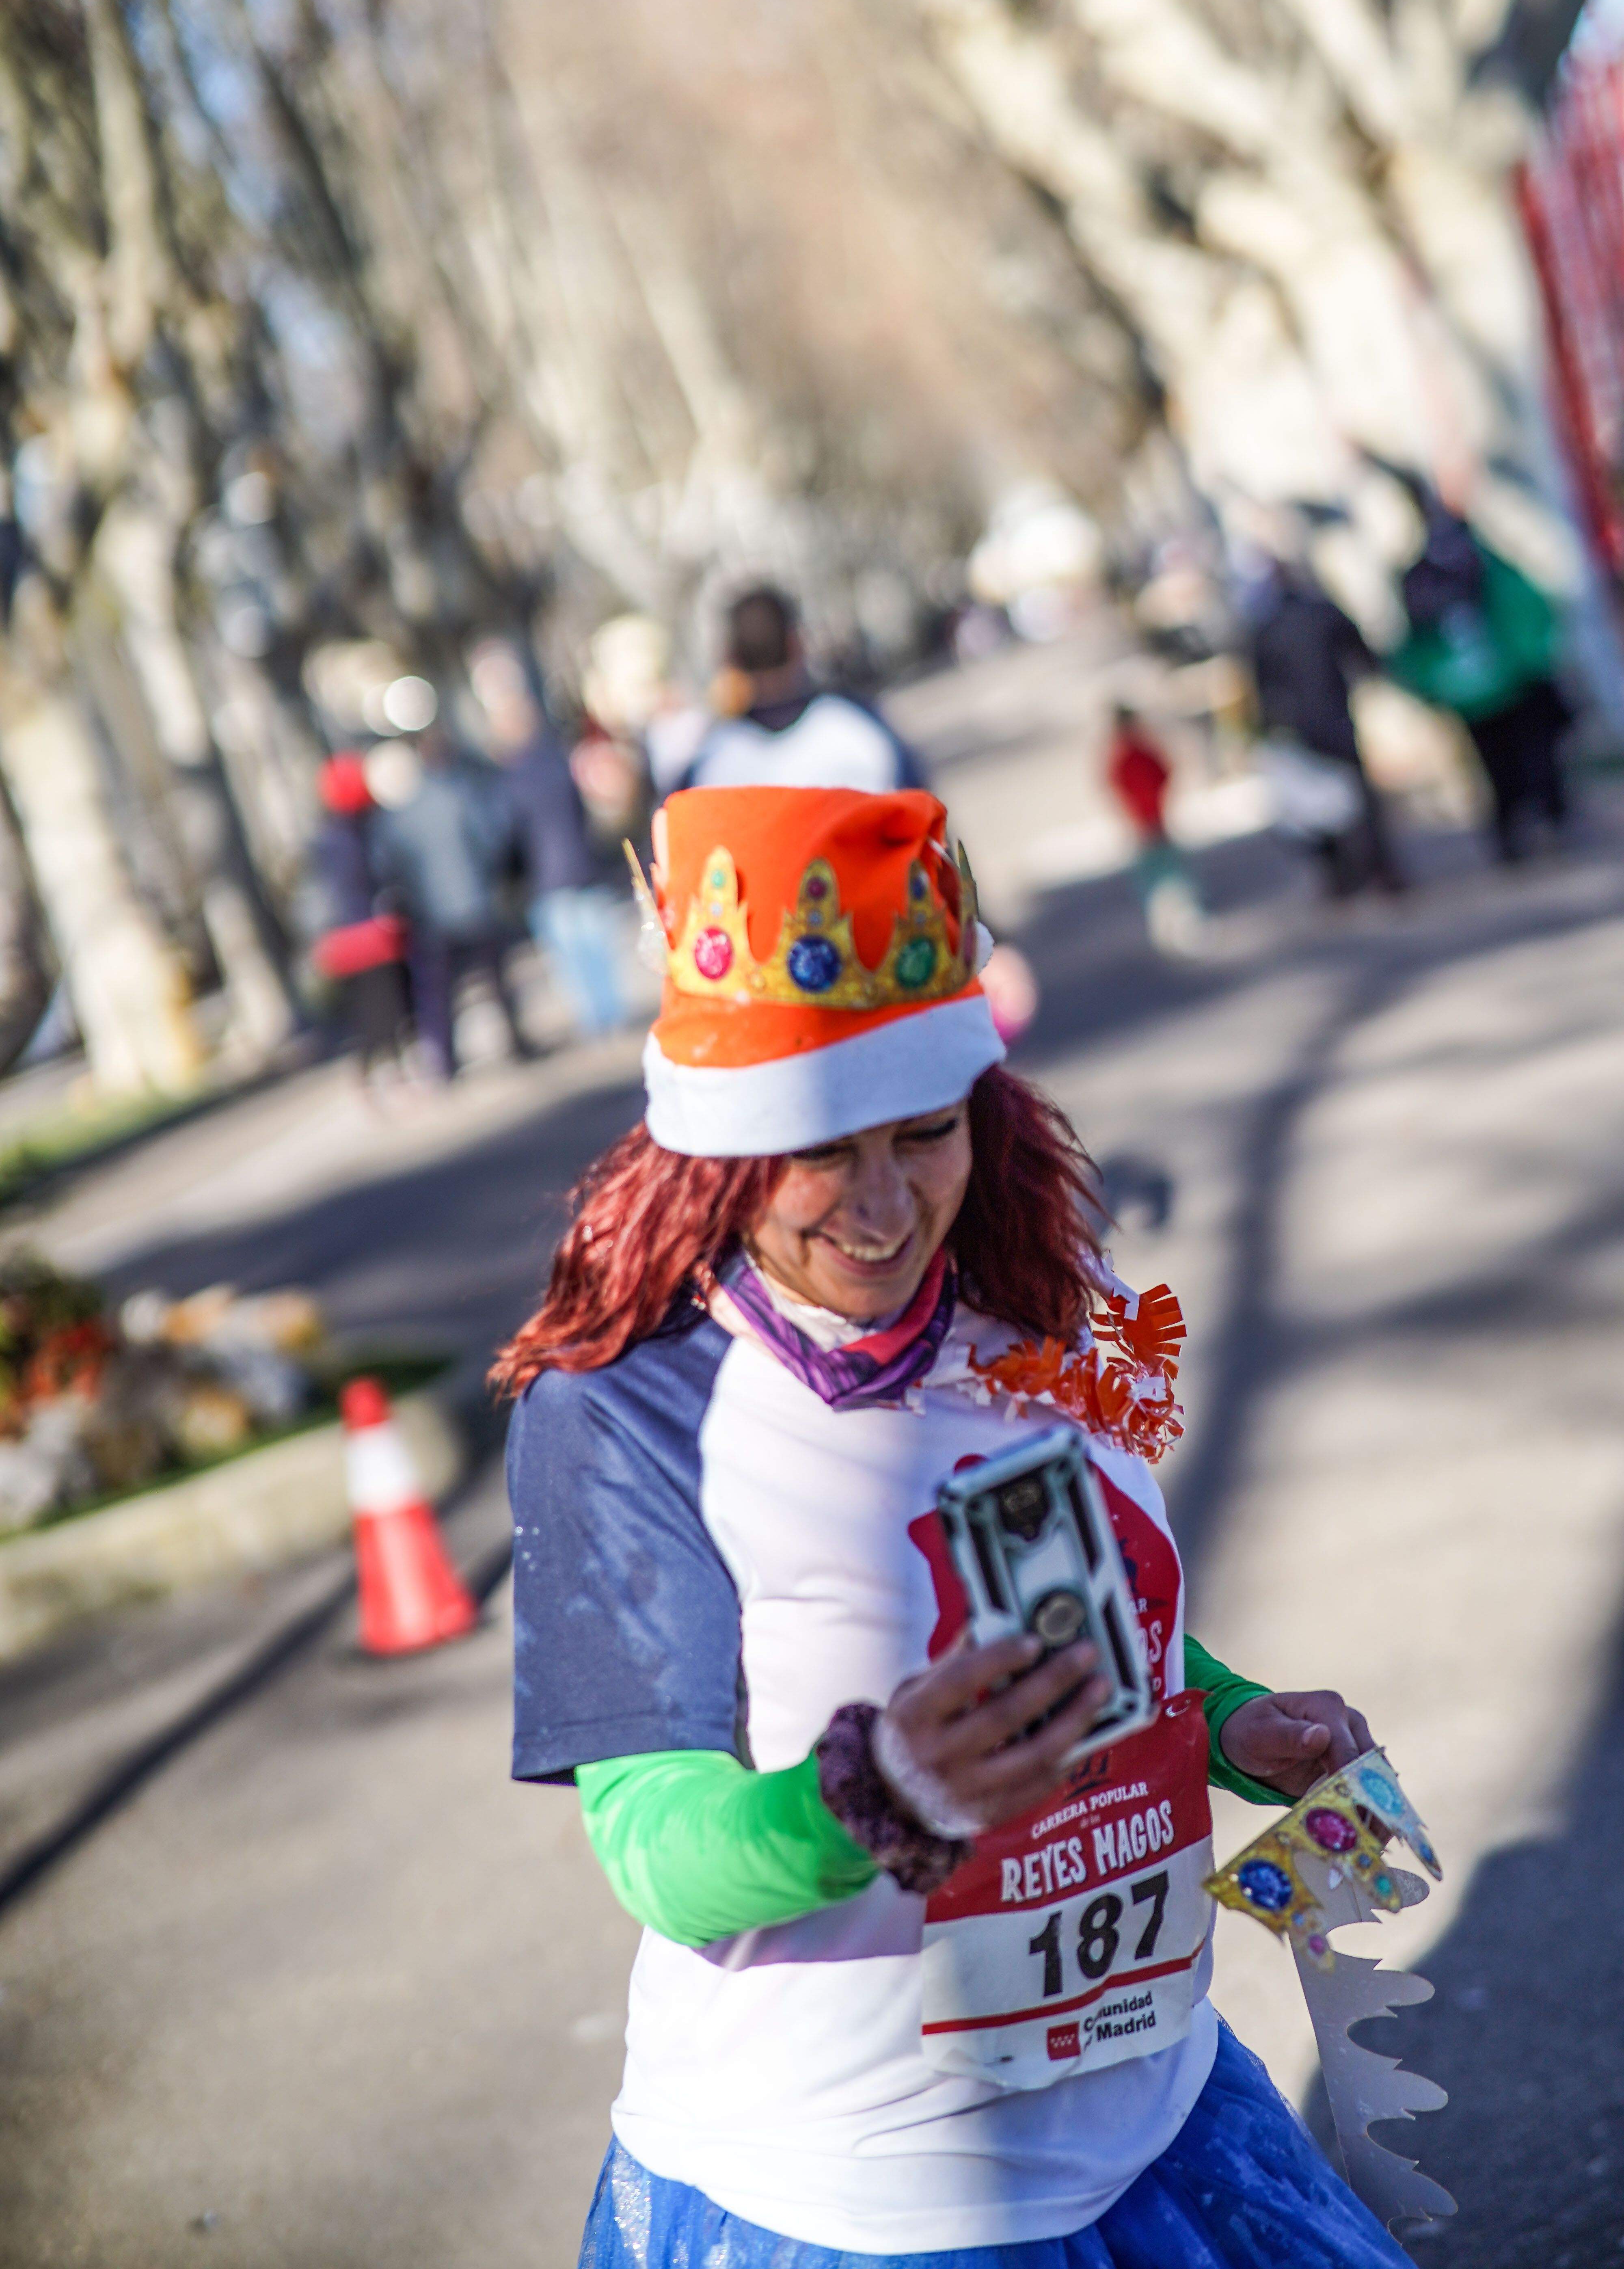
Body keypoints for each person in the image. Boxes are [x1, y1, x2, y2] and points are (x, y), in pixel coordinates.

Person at [499, 783, 1408, 2269]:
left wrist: (1231, 1720)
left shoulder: (1037, 1304)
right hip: (857, 2191)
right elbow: (651, 1837)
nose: (880, 1208)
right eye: (819, 1150)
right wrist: (873, 1796)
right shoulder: (629, 1404)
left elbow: (1085, 1642)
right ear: (719, 1150)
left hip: (1156, 2112)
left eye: (924, 1134)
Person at [1391, 507, 1571, 863]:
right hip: (1508, 678)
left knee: (1496, 765)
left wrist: (1430, 687)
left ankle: (1514, 832)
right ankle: (1543, 821)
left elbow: (1412, 644)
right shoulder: (1484, 562)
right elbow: (1529, 606)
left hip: (1467, 689)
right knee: (1533, 756)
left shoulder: (1423, 576)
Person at [1244, 560, 1405, 899]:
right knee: (1354, 798)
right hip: (1334, 718)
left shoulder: (1267, 628)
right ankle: (1378, 871)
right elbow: (1362, 654)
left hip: (1297, 727)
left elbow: (1261, 685)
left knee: (1318, 803)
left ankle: (1342, 875)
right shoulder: (1319, 613)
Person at [374, 728, 526, 1079]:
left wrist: (409, 898)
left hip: (433, 915)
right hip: (476, 901)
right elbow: (489, 837)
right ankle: (518, 1041)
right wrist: (489, 877)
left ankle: (444, 1059)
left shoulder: (399, 816)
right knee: (497, 980)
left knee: (440, 993)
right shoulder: (455, 794)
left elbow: (387, 866)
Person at [682, 585, 925, 793]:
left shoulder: (710, 766)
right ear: (797, 642)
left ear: (731, 659)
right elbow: (923, 815)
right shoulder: (859, 725)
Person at [499, 701, 628, 1039]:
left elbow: (508, 836)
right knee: (598, 950)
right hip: (585, 866)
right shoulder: (564, 762)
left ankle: (595, 1021)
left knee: (572, 960)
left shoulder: (511, 781)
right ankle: (611, 1015)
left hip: (547, 879)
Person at [305, 755, 411, 1093]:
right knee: (387, 1008)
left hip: (344, 940)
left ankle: (373, 1070)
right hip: (369, 935)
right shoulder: (360, 834)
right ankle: (388, 1070)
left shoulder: (324, 839)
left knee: (365, 1013)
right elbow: (378, 876)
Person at [1104, 706, 1202, 952]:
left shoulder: (1126, 754)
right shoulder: (1134, 753)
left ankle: (1174, 926)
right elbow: (1164, 772)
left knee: (1161, 879)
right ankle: (1178, 925)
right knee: (1169, 878)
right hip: (1150, 824)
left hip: (1147, 824)